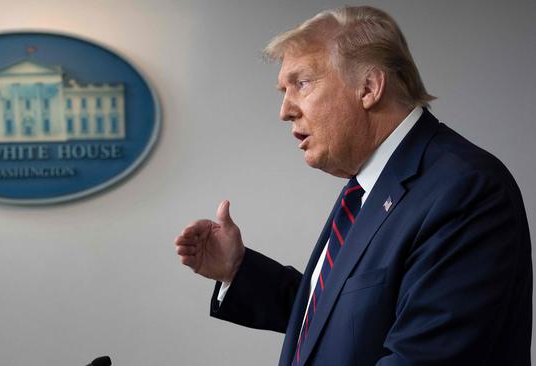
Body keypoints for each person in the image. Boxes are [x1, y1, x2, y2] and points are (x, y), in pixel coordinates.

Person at [174, 5, 532, 365]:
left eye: (301, 83)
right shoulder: (366, 186)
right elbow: (344, 316)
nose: (285, 110)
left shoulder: (465, 189)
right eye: (284, 90)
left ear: (368, 87)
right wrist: (238, 270)